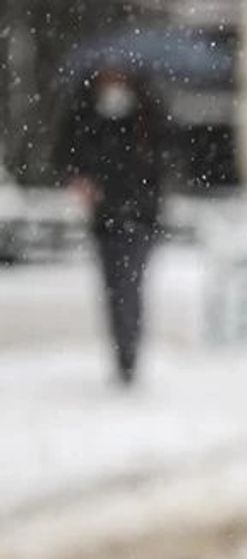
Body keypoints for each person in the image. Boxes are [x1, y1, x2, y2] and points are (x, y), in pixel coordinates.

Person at [54, 64, 167, 387]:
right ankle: (124, 351)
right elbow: (67, 157)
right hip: (106, 219)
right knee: (115, 289)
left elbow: (162, 162)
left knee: (128, 287)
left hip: (140, 218)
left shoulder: (147, 115)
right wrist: (80, 180)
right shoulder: (87, 115)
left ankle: (129, 354)